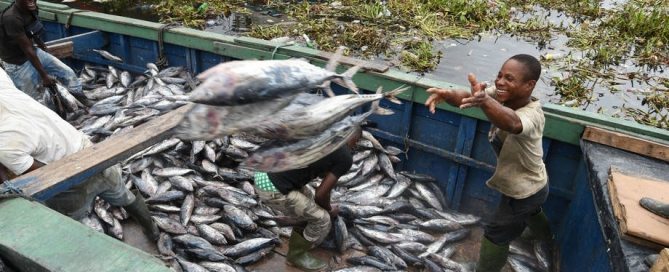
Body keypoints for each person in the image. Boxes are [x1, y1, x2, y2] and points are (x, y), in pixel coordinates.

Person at [424, 54, 554, 272]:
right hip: (534, 185)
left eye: (510, 79)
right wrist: (449, 95)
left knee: (496, 233)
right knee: (531, 212)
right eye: (499, 76)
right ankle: (545, 237)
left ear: (529, 85)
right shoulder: (501, 96)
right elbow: (469, 97)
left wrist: (484, 100)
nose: (501, 82)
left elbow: (512, 123)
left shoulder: (533, 115)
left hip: (525, 190)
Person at [0, 67, 159, 241]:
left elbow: (40, 176)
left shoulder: (5, 143)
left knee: (70, 221)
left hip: (70, 181)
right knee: (123, 195)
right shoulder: (4, 89)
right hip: (91, 153)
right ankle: (152, 231)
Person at [254, 128, 360, 271]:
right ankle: (296, 255)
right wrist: (329, 209)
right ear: (355, 140)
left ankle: (302, 233)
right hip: (270, 188)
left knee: (310, 202)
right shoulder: (345, 157)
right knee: (322, 219)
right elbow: (321, 194)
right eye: (357, 143)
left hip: (263, 171)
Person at [0, 0, 81, 101]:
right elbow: (27, 49)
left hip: (34, 52)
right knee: (35, 99)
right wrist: (44, 76)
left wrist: (43, 48)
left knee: (68, 73)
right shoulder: (11, 18)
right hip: (17, 64)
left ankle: (80, 99)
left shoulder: (32, 8)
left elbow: (33, 31)